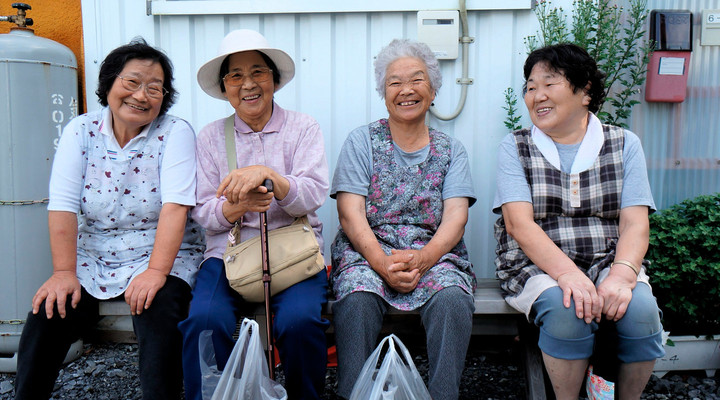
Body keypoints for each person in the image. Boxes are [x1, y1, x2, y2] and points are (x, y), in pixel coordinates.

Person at [14, 38, 204, 400]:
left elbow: (176, 207)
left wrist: (156, 272)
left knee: (159, 312)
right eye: (132, 82)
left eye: (155, 88)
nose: (142, 95)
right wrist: (64, 273)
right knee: (48, 312)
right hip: (94, 253)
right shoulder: (80, 131)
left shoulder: (174, 132)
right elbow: (63, 205)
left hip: (160, 254)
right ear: (109, 84)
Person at [493, 43, 665, 400]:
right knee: (566, 309)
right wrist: (568, 274)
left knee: (640, 311)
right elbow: (519, 225)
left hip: (606, 258)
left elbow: (635, 223)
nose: (536, 95)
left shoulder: (623, 144)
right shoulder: (515, 146)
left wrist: (621, 274)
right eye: (530, 86)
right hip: (536, 264)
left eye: (549, 84)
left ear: (585, 91)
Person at [179, 29, 330, 400]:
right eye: (236, 75)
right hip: (229, 254)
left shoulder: (303, 127)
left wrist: (272, 178)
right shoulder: (211, 137)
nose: (248, 84)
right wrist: (239, 206)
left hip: (293, 251)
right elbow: (205, 213)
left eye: (258, 72)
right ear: (225, 86)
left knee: (300, 322)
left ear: (274, 80)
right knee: (204, 321)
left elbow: (313, 195)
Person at [330, 38, 477, 400]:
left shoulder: (451, 150)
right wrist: (380, 262)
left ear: (433, 89)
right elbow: (350, 214)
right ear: (383, 92)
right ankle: (354, 394)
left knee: (452, 298)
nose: (406, 90)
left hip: (434, 253)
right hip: (368, 252)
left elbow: (456, 218)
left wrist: (424, 259)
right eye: (394, 82)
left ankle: (444, 395)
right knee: (357, 295)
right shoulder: (361, 141)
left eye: (417, 80)